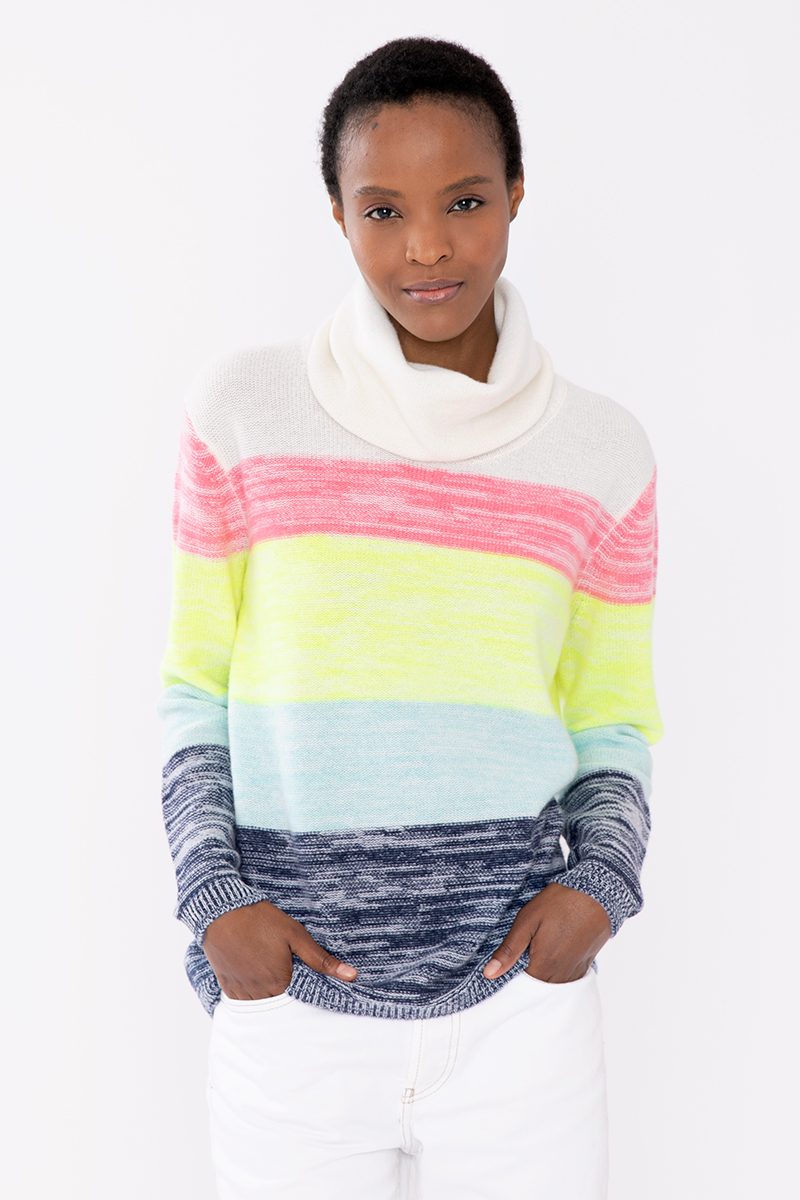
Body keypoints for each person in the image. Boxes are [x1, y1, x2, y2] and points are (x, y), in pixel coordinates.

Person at [158, 35, 661, 1200]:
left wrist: (599, 886)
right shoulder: (243, 410)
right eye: (383, 210)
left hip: (518, 1017)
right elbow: (194, 684)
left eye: (464, 201)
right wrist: (215, 901)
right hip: (292, 1012)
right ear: (338, 216)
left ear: (516, 194)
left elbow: (611, 714)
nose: (426, 247)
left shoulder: (602, 452)